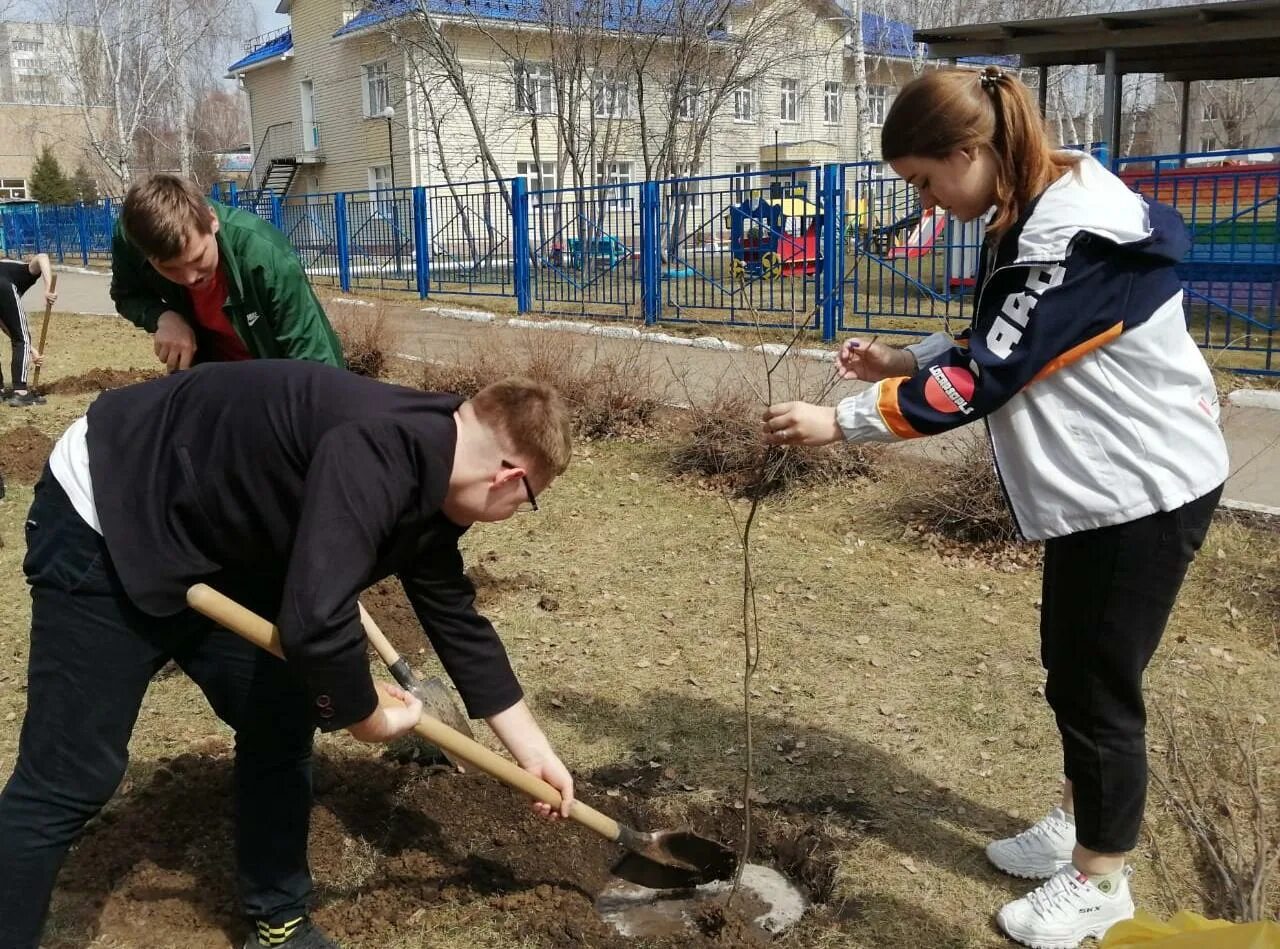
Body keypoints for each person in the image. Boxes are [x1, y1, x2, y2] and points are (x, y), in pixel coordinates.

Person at [762, 66, 1227, 949]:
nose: (928, 201)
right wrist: (905, 358)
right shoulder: (1028, 211)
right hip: (1108, 488)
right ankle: (1078, 817)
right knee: (1073, 668)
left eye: (927, 181)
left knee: (1098, 686)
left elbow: (989, 374)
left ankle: (1101, 878)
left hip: (1142, 488)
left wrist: (843, 421)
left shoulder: (1067, 235)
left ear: (970, 151)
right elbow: (1003, 334)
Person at [0, 361, 576, 949]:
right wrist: (370, 719)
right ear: (508, 477)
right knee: (70, 776)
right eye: (528, 501)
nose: (514, 515)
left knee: (279, 714)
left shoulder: (437, 463)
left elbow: (454, 616)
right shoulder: (377, 450)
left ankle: (279, 918)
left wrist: (535, 754)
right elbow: (316, 621)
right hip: (111, 505)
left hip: (214, 535)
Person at [110, 173, 343, 371]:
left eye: (198, 258)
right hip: (211, 379)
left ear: (212, 221)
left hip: (277, 382)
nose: (190, 278)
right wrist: (163, 317)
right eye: (170, 269)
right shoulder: (132, 239)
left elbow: (314, 364)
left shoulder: (266, 257)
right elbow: (127, 295)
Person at [0, 250, 57, 406]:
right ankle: (21, 392)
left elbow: (6, 327)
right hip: (3, 287)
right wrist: (48, 289)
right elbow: (42, 257)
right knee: (22, 338)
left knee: (21, 338)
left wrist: (31, 350)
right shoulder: (24, 270)